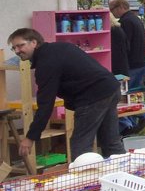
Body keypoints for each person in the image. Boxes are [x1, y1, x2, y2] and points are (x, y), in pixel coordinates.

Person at [8, 28, 125, 160]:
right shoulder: (57, 48)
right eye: (14, 48)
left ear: (34, 43)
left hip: (93, 96)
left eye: (20, 45)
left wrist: (30, 137)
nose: (17, 51)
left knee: (80, 146)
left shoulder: (46, 63)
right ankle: (123, 169)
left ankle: (84, 173)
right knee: (111, 142)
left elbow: (46, 104)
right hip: (110, 87)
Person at [109, 0, 145, 91]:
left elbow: (125, 45)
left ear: (120, 7)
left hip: (132, 64)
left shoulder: (125, 21)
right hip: (141, 62)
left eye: (112, 9)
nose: (111, 12)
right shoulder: (135, 18)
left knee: (128, 92)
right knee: (135, 92)